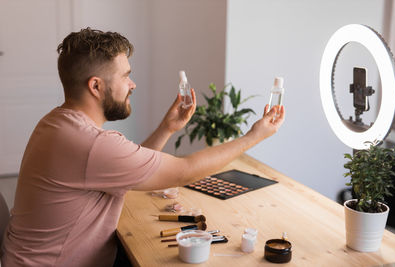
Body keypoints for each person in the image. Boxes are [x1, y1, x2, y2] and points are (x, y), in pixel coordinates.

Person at [0, 28, 285, 267]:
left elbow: (125, 170)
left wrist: (167, 128)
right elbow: (183, 171)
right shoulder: (91, 145)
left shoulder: (57, 123)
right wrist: (253, 136)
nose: (132, 84)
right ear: (96, 86)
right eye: (125, 76)